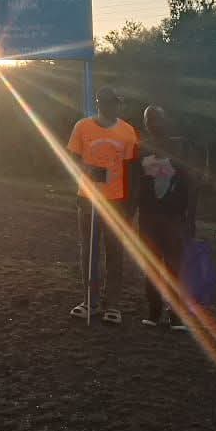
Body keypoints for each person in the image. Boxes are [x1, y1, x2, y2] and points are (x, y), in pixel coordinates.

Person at [67, 85, 137, 324]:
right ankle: (90, 301)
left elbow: (129, 169)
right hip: (88, 198)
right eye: (105, 102)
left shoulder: (128, 132)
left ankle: (113, 304)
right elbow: (74, 160)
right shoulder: (82, 127)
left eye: (114, 102)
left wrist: (129, 203)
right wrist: (86, 175)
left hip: (116, 200)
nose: (110, 106)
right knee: (89, 251)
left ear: (117, 104)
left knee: (114, 251)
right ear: (98, 103)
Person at [137, 105, 196, 330]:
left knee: (174, 265)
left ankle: (177, 315)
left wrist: (191, 217)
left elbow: (192, 183)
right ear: (145, 124)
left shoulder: (179, 147)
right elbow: (136, 183)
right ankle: (153, 313)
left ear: (165, 120)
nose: (154, 123)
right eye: (149, 120)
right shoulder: (141, 148)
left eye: (157, 118)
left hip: (174, 216)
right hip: (148, 216)